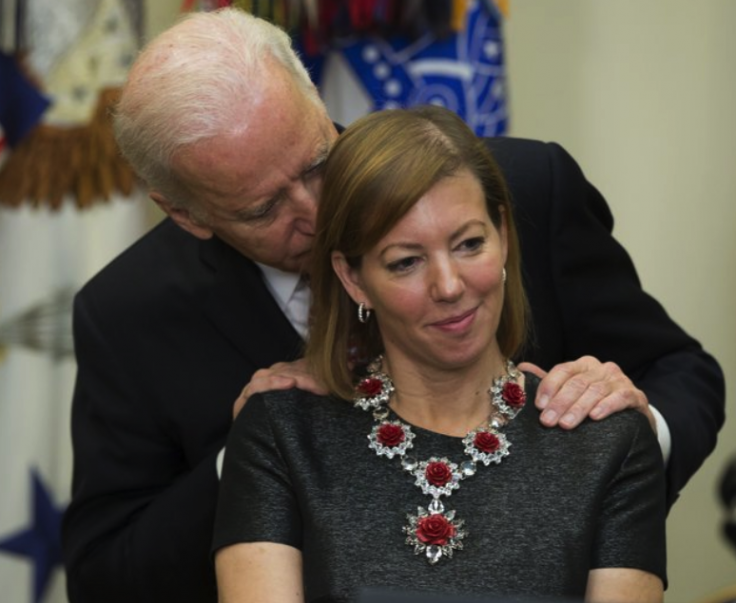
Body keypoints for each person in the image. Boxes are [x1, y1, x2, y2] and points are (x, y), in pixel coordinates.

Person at [60, 8, 723, 603]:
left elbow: (682, 371)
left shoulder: (522, 190)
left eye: (318, 163)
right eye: (264, 208)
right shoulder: (128, 313)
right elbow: (108, 575)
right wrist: (245, 459)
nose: (318, 214)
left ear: (316, 97)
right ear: (186, 213)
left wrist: (621, 438)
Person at [212, 105, 667, 603]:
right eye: (406, 262)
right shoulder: (282, 433)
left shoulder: (608, 441)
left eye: (470, 244)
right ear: (353, 278)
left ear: (504, 236)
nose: (449, 286)